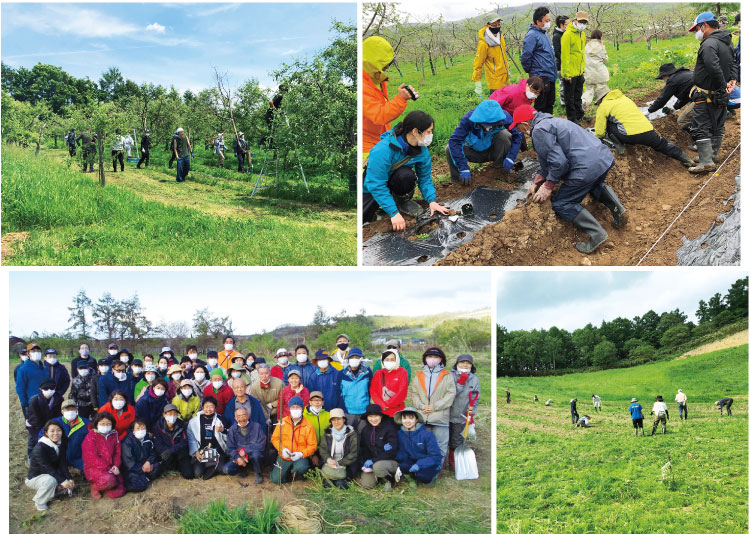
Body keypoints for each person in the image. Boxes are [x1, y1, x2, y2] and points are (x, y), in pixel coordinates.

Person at [518, 104, 626, 253]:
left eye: (519, 128)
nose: (521, 132)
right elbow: (547, 161)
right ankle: (618, 210)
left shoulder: (538, 131)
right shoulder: (552, 121)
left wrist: (548, 186)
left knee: (562, 202)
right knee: (594, 185)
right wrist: (535, 183)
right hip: (603, 159)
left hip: (586, 167)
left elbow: (559, 163)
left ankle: (597, 234)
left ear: (524, 125)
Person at [363, 110, 450, 229]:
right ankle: (384, 207)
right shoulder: (382, 150)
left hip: (397, 180)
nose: (431, 135)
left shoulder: (421, 149)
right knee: (363, 219)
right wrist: (393, 213)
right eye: (428, 132)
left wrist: (432, 201)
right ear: (415, 131)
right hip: (373, 185)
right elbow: (376, 183)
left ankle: (401, 201)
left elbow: (424, 178)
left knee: (405, 176)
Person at [687, 11, 738, 173]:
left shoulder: (709, 44)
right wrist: (732, 80)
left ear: (705, 26)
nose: (697, 33)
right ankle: (712, 154)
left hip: (708, 93)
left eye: (697, 29)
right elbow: (733, 62)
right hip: (720, 92)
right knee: (717, 125)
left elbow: (713, 67)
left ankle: (707, 161)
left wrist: (722, 86)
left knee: (701, 127)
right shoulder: (726, 41)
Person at [593, 89, 694, 167]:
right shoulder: (625, 99)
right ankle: (687, 159)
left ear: (600, 99)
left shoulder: (604, 106)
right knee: (662, 144)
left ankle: (620, 147)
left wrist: (598, 137)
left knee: (608, 124)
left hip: (628, 136)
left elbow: (600, 131)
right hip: (647, 130)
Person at [446, 99, 523, 186]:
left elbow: (518, 135)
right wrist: (463, 167)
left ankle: (499, 169)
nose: (489, 128)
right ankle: (459, 181)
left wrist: (511, 157)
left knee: (504, 135)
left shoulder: (504, 117)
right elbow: (455, 141)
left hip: (492, 150)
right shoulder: (469, 119)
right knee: (449, 148)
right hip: (473, 150)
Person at [362, 36, 413, 156]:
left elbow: (381, 107)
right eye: (385, 63)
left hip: (381, 139)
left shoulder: (376, 78)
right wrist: (401, 99)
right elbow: (379, 116)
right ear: (373, 62)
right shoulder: (363, 86)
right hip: (368, 147)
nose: (388, 67)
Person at [409, 347, 456, 462]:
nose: (432, 359)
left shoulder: (447, 375)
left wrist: (435, 406)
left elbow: (450, 394)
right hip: (422, 416)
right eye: (430, 357)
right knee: (422, 444)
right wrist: (421, 406)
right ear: (425, 358)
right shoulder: (419, 375)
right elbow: (414, 393)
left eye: (436, 357)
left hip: (440, 417)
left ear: (441, 359)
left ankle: (436, 469)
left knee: (440, 445)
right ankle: (423, 468)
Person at [26, 420, 75, 511]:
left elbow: (62, 463)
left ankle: (53, 491)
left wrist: (69, 478)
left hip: (50, 473)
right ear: (46, 433)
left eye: (58, 430)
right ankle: (40, 501)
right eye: (52, 431)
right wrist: (63, 480)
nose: (56, 433)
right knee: (51, 481)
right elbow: (48, 468)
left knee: (64, 482)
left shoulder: (60, 443)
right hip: (35, 477)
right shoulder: (40, 448)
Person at [270, 396, 317, 484]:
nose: (295, 409)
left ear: (302, 408)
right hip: (285, 456)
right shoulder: (282, 422)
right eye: (293, 407)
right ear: (289, 409)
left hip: (299, 457)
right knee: (275, 479)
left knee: (301, 467)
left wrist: (301, 454)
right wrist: (282, 449)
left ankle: (298, 474)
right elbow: (274, 438)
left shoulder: (308, 425)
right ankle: (287, 474)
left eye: (298, 407)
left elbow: (313, 445)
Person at [521, 7, 558, 114]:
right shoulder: (532, 36)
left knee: (550, 103)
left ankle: (549, 126)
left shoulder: (544, 34)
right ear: (538, 21)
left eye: (549, 20)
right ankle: (539, 128)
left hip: (550, 76)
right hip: (540, 77)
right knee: (541, 106)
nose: (549, 23)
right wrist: (533, 74)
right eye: (546, 21)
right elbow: (526, 56)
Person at [81, 411, 126, 499]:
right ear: (97, 424)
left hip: (112, 466)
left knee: (118, 492)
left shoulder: (114, 434)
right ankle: (95, 486)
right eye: (102, 423)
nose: (105, 426)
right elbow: (91, 458)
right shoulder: (91, 437)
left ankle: (108, 487)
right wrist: (109, 468)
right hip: (95, 468)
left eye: (108, 424)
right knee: (108, 480)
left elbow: (117, 452)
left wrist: (116, 465)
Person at [395, 406, 442, 487]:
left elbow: (435, 456)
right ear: (401, 420)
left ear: (416, 420)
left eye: (411, 418)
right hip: (411, 461)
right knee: (400, 466)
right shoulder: (399, 434)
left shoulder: (426, 435)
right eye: (404, 418)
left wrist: (419, 464)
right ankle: (411, 477)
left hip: (426, 461)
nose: (407, 421)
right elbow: (401, 452)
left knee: (424, 477)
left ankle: (431, 476)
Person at [448, 354, 480, 471]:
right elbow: (449, 394)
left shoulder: (474, 379)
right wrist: (460, 383)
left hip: (461, 416)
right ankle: (441, 462)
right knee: (444, 438)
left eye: (468, 363)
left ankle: (454, 463)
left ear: (471, 365)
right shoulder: (450, 376)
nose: (465, 365)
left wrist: (471, 414)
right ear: (457, 364)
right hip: (446, 413)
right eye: (462, 362)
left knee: (457, 440)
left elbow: (475, 397)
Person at [358, 403, 399, 491]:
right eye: (370, 416)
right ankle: (379, 476)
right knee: (367, 485)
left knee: (378, 466)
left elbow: (392, 451)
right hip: (373, 462)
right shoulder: (366, 430)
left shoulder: (389, 428)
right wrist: (365, 462)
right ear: (367, 418)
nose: (373, 419)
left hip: (389, 461)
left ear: (381, 416)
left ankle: (390, 480)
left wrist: (373, 461)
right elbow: (363, 448)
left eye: (376, 416)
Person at [42, 400, 90, 471]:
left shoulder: (87, 423)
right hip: (59, 457)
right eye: (67, 409)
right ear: (62, 411)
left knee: (91, 470)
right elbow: (42, 436)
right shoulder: (55, 422)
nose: (70, 411)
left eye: (72, 409)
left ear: (76, 410)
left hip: (79, 458)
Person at [187, 396, 227, 480]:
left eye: (211, 406)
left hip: (217, 452)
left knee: (222, 469)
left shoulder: (221, 420)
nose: (208, 409)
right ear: (202, 407)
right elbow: (191, 439)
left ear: (215, 408)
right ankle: (211, 464)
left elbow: (228, 437)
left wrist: (223, 430)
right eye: (206, 406)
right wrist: (196, 452)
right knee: (198, 474)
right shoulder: (194, 421)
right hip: (202, 452)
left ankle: (215, 464)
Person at [222, 407, 265, 484]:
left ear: (248, 416)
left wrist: (246, 450)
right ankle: (242, 469)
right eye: (239, 416)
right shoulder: (232, 429)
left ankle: (258, 472)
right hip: (240, 456)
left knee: (256, 455)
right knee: (227, 469)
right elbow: (230, 447)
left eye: (244, 415)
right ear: (235, 418)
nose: (242, 418)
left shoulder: (257, 426)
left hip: (253, 454)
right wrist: (237, 458)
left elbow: (261, 444)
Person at [318, 408, 358, 488]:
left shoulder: (352, 434)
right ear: (331, 422)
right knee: (327, 485)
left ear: (344, 419)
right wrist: (328, 460)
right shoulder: (327, 433)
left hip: (346, 465)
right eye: (333, 420)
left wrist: (339, 463)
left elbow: (354, 453)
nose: (336, 422)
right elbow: (323, 449)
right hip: (330, 464)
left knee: (340, 485)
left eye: (339, 419)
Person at [560, 11, 589, 123]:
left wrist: (582, 70)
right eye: (581, 21)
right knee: (570, 98)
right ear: (575, 20)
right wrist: (567, 74)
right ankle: (572, 119)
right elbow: (565, 56)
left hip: (579, 72)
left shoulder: (582, 34)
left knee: (578, 96)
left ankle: (579, 115)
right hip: (570, 73)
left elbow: (581, 54)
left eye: (585, 22)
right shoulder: (567, 35)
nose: (583, 24)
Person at [152, 403, 194, 479]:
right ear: (164, 414)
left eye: (175, 414)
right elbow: (157, 443)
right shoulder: (158, 426)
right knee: (156, 472)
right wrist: (165, 452)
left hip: (180, 452)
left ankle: (179, 466)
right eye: (170, 413)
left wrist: (172, 450)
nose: (173, 416)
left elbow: (185, 441)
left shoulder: (182, 424)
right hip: (165, 453)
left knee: (189, 475)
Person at [649, 63, 695, 131]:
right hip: (711, 95)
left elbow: (662, 98)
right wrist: (675, 107)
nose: (663, 80)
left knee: (682, 121)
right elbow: (685, 95)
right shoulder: (685, 74)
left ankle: (700, 137)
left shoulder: (673, 80)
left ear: (666, 75)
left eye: (663, 78)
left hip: (703, 99)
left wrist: (649, 110)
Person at [473, 15, 510, 97]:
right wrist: (477, 81)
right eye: (494, 25)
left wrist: (507, 68)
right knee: (496, 106)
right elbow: (478, 63)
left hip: (505, 78)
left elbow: (503, 55)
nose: (497, 27)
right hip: (495, 81)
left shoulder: (501, 37)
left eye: (498, 25)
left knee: (506, 105)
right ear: (487, 25)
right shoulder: (483, 43)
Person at [27, 379, 64, 460]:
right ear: (41, 389)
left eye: (52, 388)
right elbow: (35, 419)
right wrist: (43, 433)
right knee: (34, 441)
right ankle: (30, 456)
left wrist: (52, 428)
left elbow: (58, 416)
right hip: (35, 425)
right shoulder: (35, 401)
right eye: (46, 389)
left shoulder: (59, 399)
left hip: (51, 424)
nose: (49, 391)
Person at [121, 417, 161, 492]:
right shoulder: (127, 442)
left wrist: (148, 462)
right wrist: (143, 469)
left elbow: (153, 453)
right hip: (133, 469)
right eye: (138, 428)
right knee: (141, 485)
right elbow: (129, 463)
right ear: (133, 430)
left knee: (159, 466)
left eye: (143, 428)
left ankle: (145, 477)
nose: (141, 430)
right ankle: (140, 479)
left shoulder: (147, 439)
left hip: (145, 464)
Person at [370, 348, 409, 417]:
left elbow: (402, 391)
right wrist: (381, 404)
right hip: (382, 411)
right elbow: (373, 391)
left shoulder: (402, 372)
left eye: (392, 359)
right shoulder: (378, 373)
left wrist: (388, 404)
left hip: (397, 411)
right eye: (387, 360)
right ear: (382, 361)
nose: (389, 362)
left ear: (396, 360)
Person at [341, 348, 373, 427]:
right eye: (352, 357)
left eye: (357, 357)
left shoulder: (367, 372)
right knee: (350, 434)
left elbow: (370, 389)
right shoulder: (342, 373)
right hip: (348, 411)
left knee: (363, 435)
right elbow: (339, 392)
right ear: (348, 359)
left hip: (363, 410)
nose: (354, 359)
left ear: (361, 359)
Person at [17, 343, 48, 423]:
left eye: (38, 350)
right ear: (28, 353)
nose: (36, 353)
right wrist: (25, 406)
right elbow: (20, 389)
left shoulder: (44, 368)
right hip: (32, 404)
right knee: (35, 427)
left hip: (46, 401)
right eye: (33, 351)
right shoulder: (23, 369)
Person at [582, 29, 610, 110]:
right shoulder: (601, 46)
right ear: (600, 36)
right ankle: (601, 101)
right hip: (600, 72)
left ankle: (584, 102)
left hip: (589, 72)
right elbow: (605, 59)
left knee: (589, 90)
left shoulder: (587, 46)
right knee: (602, 88)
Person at [303, 391, 330, 467]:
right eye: (314, 400)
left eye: (319, 400)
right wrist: (312, 455)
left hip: (323, 449)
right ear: (310, 402)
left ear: (323, 402)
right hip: (309, 449)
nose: (317, 402)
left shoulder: (328, 415)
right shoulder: (304, 416)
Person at [553, 15, 570, 105]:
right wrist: (565, 60)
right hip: (561, 65)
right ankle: (563, 102)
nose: (569, 26)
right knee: (563, 84)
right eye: (567, 24)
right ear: (561, 25)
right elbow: (557, 52)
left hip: (568, 64)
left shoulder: (565, 34)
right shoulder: (557, 36)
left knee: (568, 84)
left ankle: (568, 100)